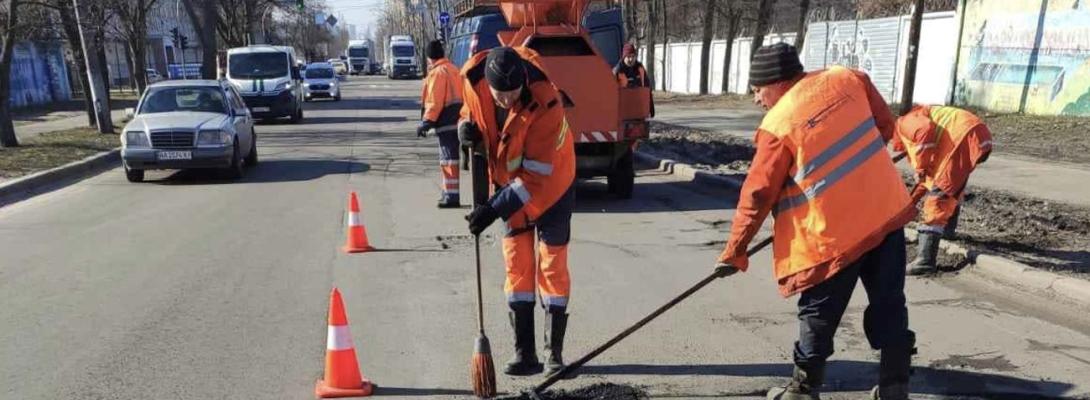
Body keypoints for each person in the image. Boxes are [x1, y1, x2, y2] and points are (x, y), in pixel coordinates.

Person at [713, 43, 917, 400]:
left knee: (818, 314)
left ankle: (802, 391)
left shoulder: (779, 124)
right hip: (885, 216)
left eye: (757, 90)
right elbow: (885, 127)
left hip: (833, 236)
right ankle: (895, 385)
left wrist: (735, 251)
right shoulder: (847, 79)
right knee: (890, 302)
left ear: (775, 83)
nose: (757, 100)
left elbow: (758, 195)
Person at [458, 46, 576, 377]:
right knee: (518, 269)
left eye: (513, 93)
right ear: (487, 85)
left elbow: (536, 179)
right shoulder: (472, 80)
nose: (507, 100)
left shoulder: (547, 103)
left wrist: (493, 209)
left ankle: (554, 355)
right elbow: (470, 112)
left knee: (551, 268)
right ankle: (525, 353)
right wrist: (465, 127)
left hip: (552, 188)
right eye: (500, 94)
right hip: (510, 188)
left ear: (524, 81)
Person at [893, 104, 992, 275]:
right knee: (950, 188)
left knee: (938, 199)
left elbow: (924, 132)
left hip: (963, 137)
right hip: (978, 136)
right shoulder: (929, 121)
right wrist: (903, 210)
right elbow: (927, 182)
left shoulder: (904, 123)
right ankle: (946, 232)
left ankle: (925, 261)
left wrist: (920, 169)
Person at [418, 40, 465, 208]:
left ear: (429, 58)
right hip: (459, 118)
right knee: (451, 158)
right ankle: (449, 194)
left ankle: (451, 197)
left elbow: (434, 101)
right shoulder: (454, 69)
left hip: (445, 120)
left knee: (448, 159)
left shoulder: (437, 73)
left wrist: (426, 122)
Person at [613, 43, 654, 117]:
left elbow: (648, 88)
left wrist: (651, 107)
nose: (631, 59)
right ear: (624, 57)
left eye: (633, 56)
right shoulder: (617, 71)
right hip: (623, 112)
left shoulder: (640, 68)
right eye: (628, 57)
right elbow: (611, 94)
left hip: (639, 111)